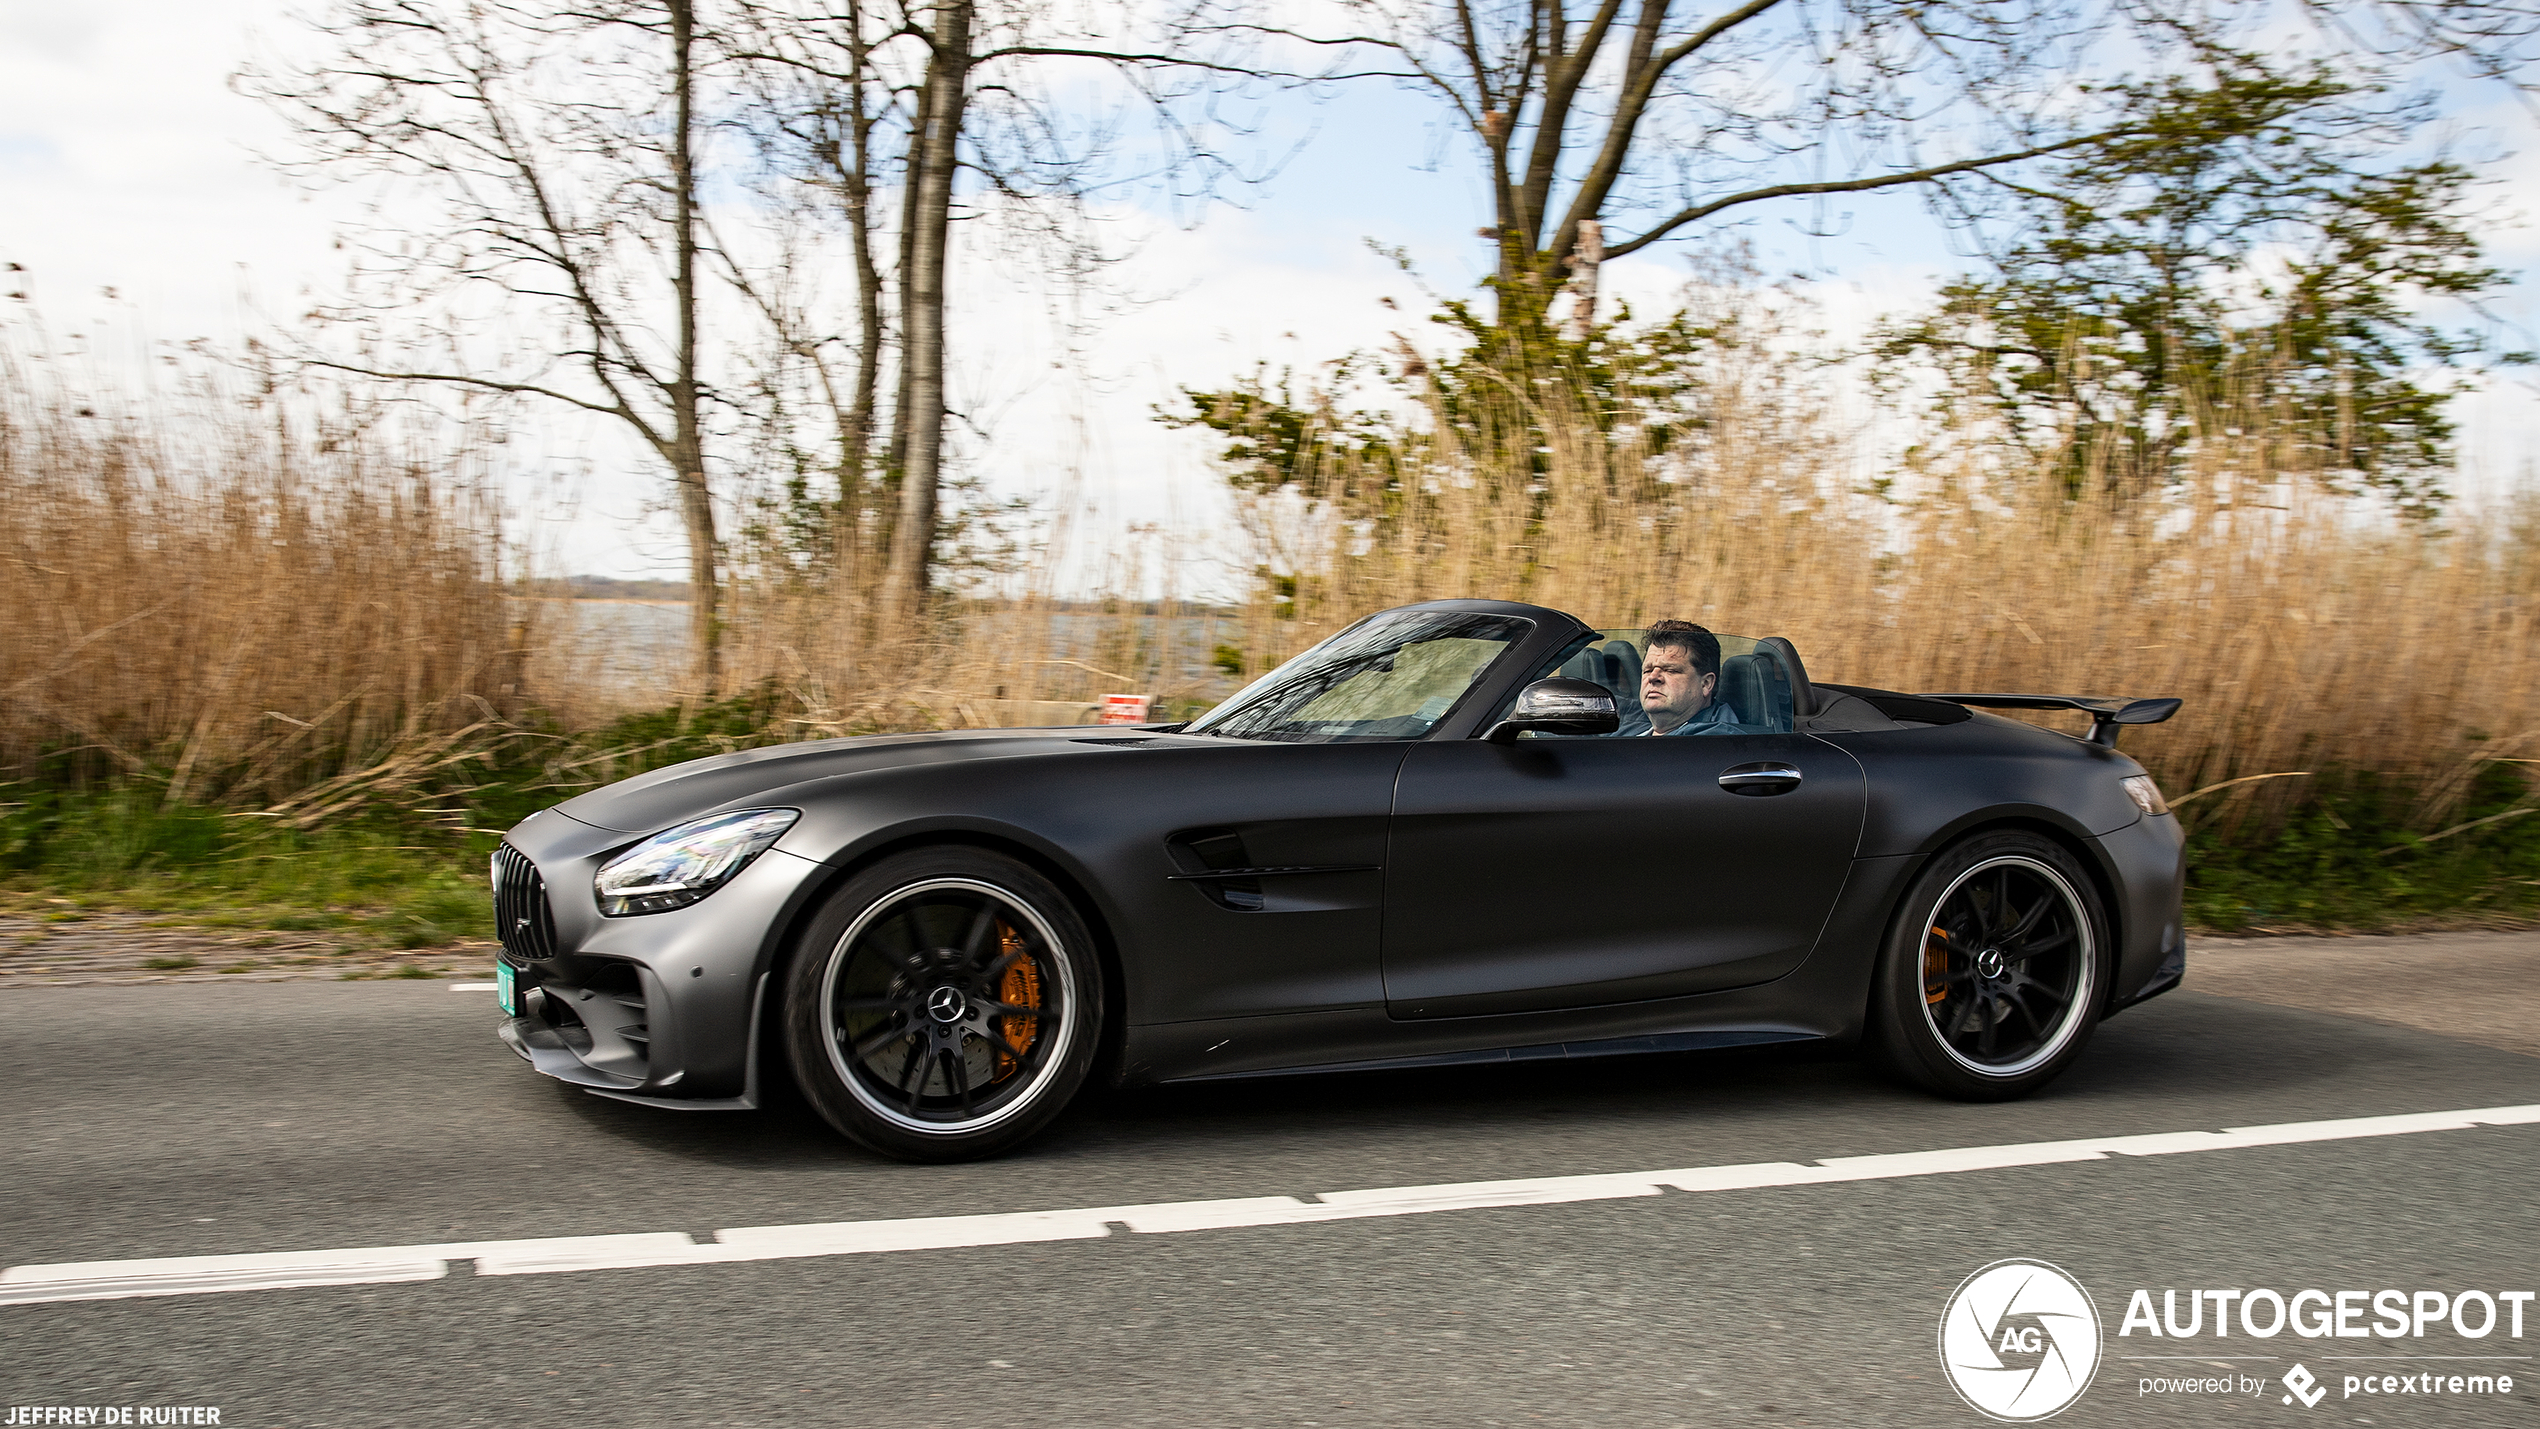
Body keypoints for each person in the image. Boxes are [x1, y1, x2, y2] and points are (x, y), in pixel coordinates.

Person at [1639, 619, 1744, 736]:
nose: (1652, 677)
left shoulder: (1717, 743)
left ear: (1706, 684)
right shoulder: (1627, 727)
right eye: (1647, 670)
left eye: (1670, 670)